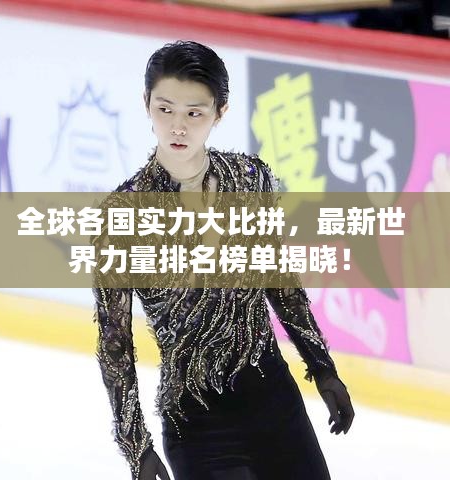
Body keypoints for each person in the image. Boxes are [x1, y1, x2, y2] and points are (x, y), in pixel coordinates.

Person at [92, 40, 354, 480]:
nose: (177, 126)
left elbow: (279, 281)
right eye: (165, 109)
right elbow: (114, 341)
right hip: (198, 423)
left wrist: (322, 367)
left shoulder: (249, 180)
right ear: (146, 104)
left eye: (194, 113)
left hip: (275, 402)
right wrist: (136, 446)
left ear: (220, 112)